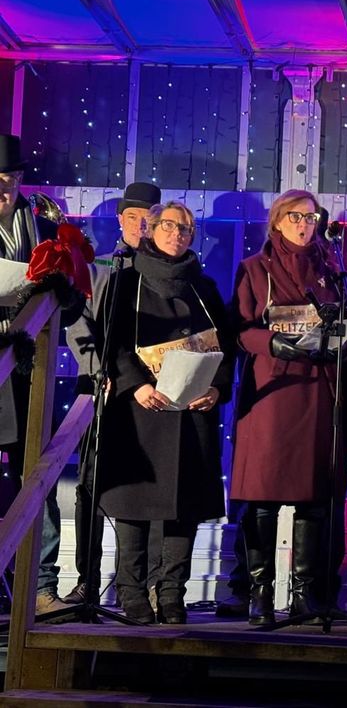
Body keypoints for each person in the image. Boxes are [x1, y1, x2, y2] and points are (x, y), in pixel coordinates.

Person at [229, 189, 347, 626]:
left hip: (320, 391)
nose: (305, 224)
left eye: (311, 216)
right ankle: (260, 594)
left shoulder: (333, 271)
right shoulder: (253, 269)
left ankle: (307, 593)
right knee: (264, 497)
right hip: (274, 391)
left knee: (315, 499)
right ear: (276, 221)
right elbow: (238, 330)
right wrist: (273, 341)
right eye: (295, 216)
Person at [98, 201, 234, 624]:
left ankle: (172, 591)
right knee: (135, 503)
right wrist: (135, 385)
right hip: (142, 410)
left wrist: (216, 388)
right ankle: (132, 591)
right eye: (171, 226)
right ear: (151, 229)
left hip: (192, 411)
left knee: (185, 505)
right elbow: (111, 342)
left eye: (187, 229)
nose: (178, 234)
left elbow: (226, 348)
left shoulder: (205, 287)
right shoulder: (126, 281)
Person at [64, 181, 161, 606]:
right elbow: (79, 326)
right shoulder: (99, 267)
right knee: (91, 485)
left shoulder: (167, 269)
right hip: (101, 389)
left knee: (149, 488)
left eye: (151, 219)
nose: (143, 225)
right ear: (121, 220)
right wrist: (97, 369)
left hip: (149, 395)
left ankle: (142, 583)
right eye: (135, 217)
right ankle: (87, 578)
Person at [0, 132, 74, 616]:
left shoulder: (38, 221)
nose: (3, 189)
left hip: (29, 365)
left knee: (36, 470)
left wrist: (58, 286)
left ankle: (39, 584)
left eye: (10, 180)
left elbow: (62, 288)